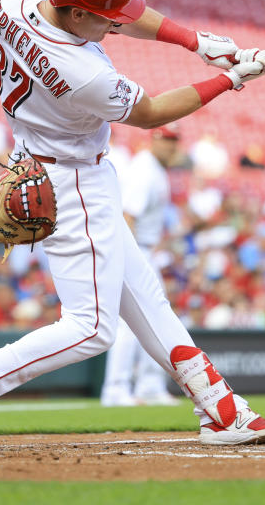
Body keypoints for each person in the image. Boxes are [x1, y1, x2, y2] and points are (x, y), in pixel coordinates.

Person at [0, 0, 265, 449]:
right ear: (76, 14)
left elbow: (123, 12)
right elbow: (153, 111)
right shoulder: (81, 73)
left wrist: (196, 41)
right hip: (70, 180)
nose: (115, 26)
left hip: (45, 159)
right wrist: (230, 78)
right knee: (91, 328)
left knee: (145, 299)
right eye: (103, 19)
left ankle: (221, 410)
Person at [100, 124, 181, 407]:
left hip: (144, 251)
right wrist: (128, 261)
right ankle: (115, 389)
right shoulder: (144, 170)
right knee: (129, 325)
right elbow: (128, 216)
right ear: (154, 139)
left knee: (155, 320)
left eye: (175, 141)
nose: (171, 146)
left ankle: (148, 384)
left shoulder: (155, 169)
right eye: (167, 140)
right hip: (133, 251)